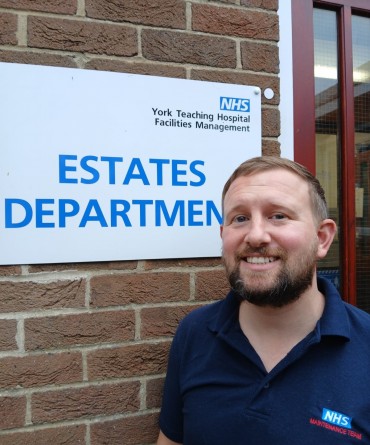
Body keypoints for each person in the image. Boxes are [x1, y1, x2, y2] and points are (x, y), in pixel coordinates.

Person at [156, 156, 370, 445]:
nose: (256, 235)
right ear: (223, 236)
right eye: (240, 218)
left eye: (278, 216)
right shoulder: (194, 333)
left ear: (322, 238)